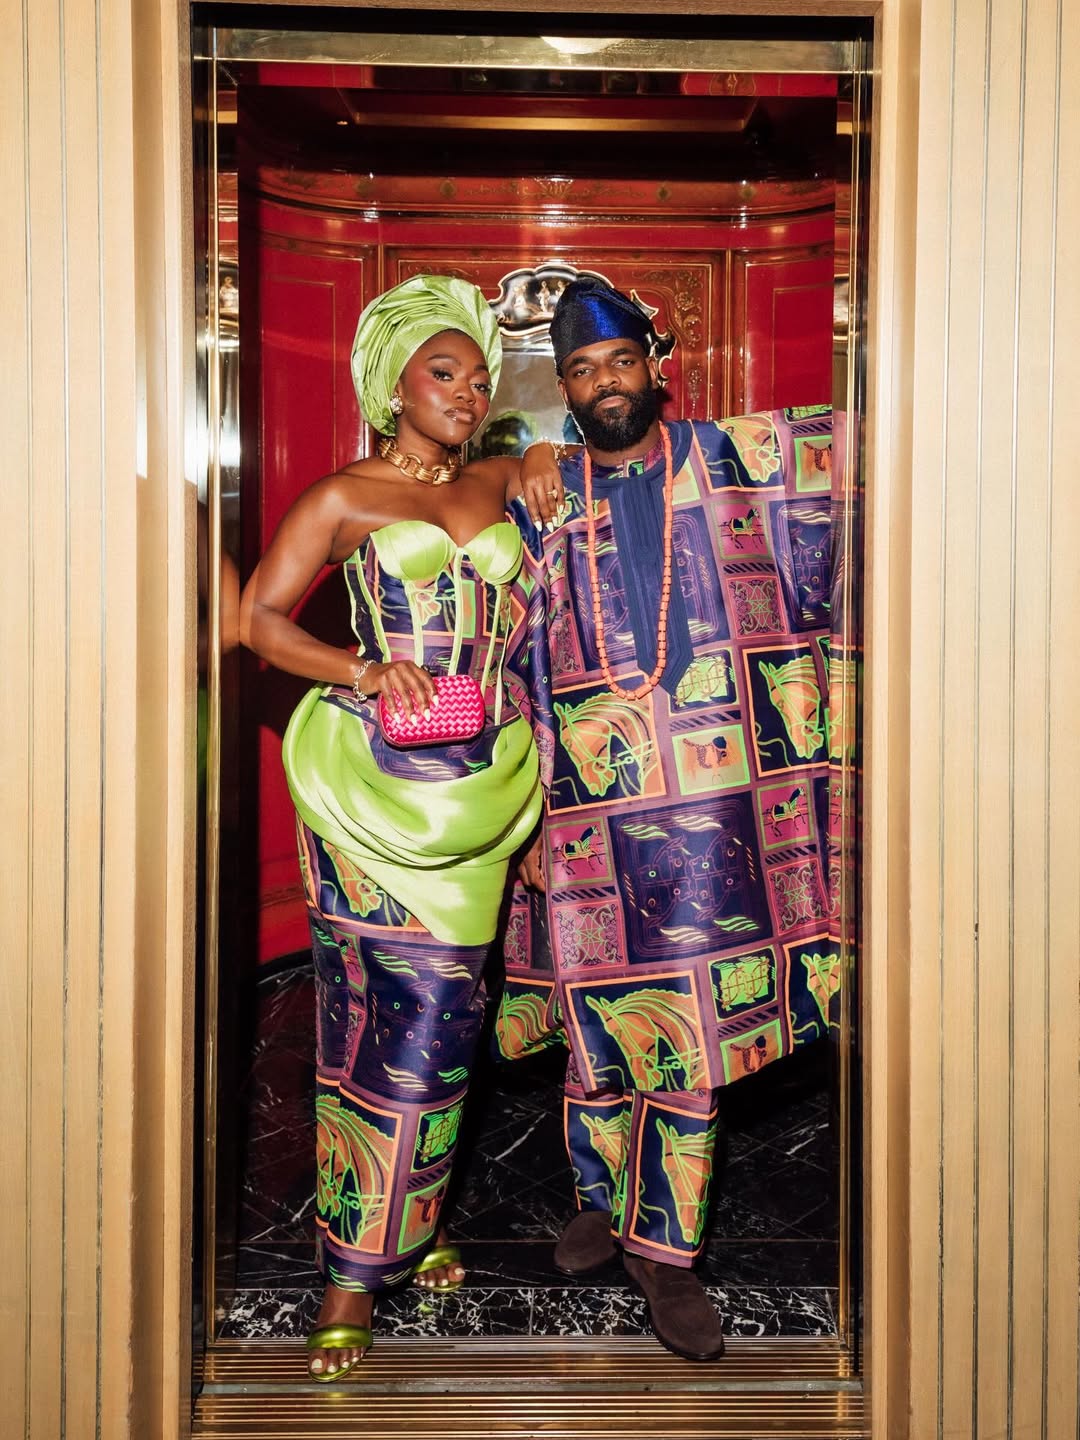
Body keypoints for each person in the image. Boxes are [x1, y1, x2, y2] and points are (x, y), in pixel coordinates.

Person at [499, 278, 839, 1362]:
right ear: (567, 391)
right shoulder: (538, 499)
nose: (606, 386)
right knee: (597, 1032)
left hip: (711, 810)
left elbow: (889, 448)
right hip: (586, 810)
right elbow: (505, 655)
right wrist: (524, 824)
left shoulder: (735, 458)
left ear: (658, 366)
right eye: (583, 374)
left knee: (686, 1036)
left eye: (621, 363)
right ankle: (604, 1197)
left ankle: (668, 1253)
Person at [239, 274, 563, 1382]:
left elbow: (540, 490)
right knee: (387, 1015)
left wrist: (534, 459)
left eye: (478, 378)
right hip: (378, 793)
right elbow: (257, 623)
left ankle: (405, 1221)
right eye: (444, 373)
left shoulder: (496, 480)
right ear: (392, 383)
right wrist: (361, 667)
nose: (467, 393)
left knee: (446, 1021)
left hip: (491, 781)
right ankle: (352, 1270)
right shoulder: (342, 497)